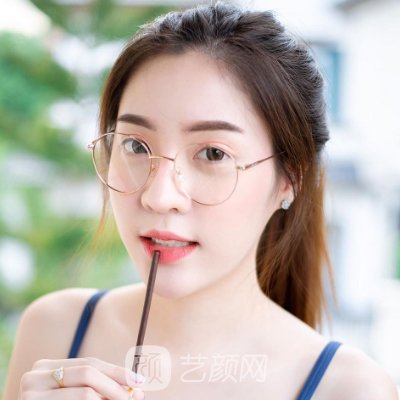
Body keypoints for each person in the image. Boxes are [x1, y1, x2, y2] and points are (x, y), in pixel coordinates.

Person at [3, 2, 398, 399]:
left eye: (213, 154)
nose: (159, 197)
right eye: (136, 145)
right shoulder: (55, 332)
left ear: (290, 178)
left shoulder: (351, 389)